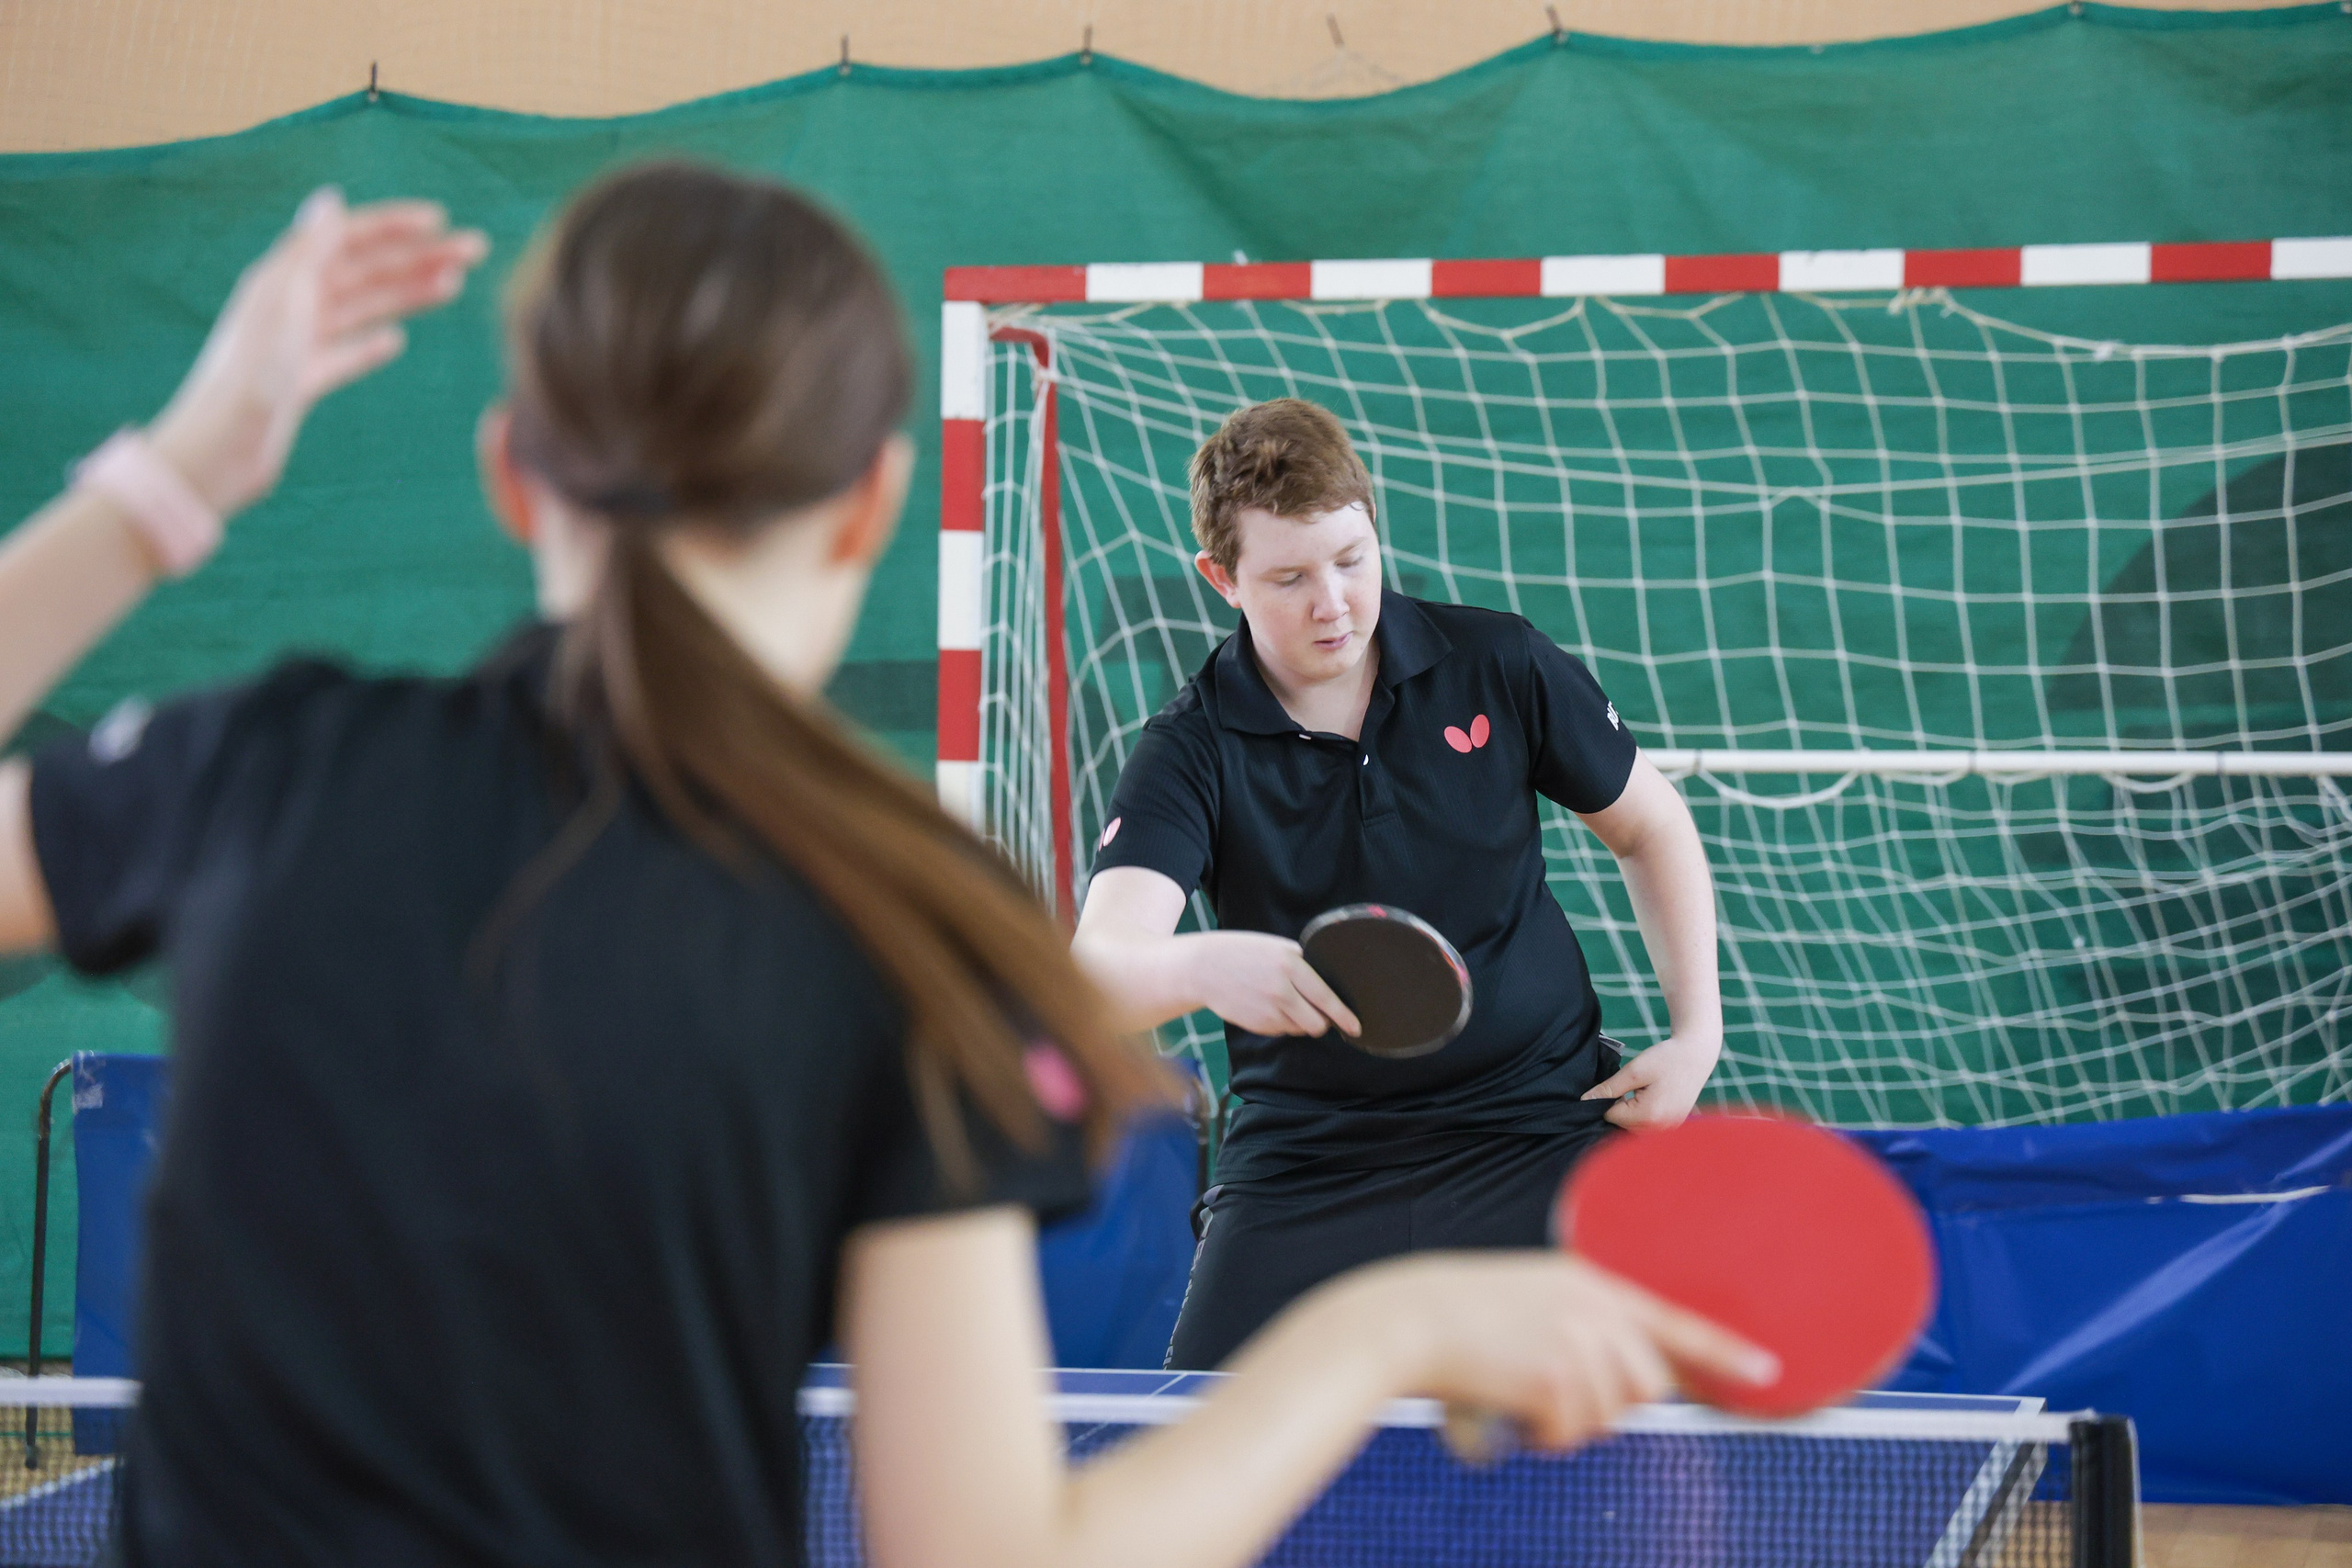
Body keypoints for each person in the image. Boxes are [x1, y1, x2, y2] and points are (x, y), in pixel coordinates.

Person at [0, 164, 1770, 1566]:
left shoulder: (262, 765)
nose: (1334, 595)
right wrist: (1376, 1342)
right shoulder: (901, 939)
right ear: (870, 502)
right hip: (1312, 1182)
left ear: (511, 477)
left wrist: (171, 485)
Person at [1072, 398, 1727, 1371]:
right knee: (1202, 1449)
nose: (1331, 602)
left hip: (1538, 1128)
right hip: (1312, 1162)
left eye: (1350, 559)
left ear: (1374, 527)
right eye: (1289, 577)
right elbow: (1097, 971)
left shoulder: (1497, 663)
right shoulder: (1190, 749)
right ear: (1222, 579)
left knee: (1644, 1445)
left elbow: (1650, 825)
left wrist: (1697, 1037)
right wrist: (1207, 962)